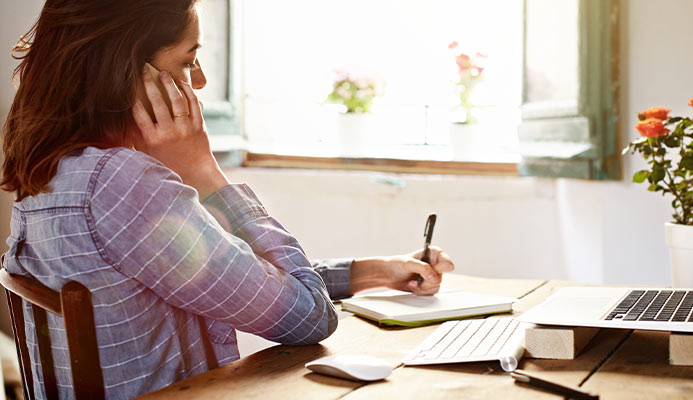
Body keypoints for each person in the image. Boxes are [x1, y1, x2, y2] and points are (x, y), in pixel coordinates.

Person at [0, 0, 454, 398]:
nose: (197, 81)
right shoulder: (124, 184)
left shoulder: (58, 173)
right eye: (186, 60)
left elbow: (231, 271)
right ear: (123, 67)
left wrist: (369, 272)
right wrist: (205, 173)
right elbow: (308, 318)